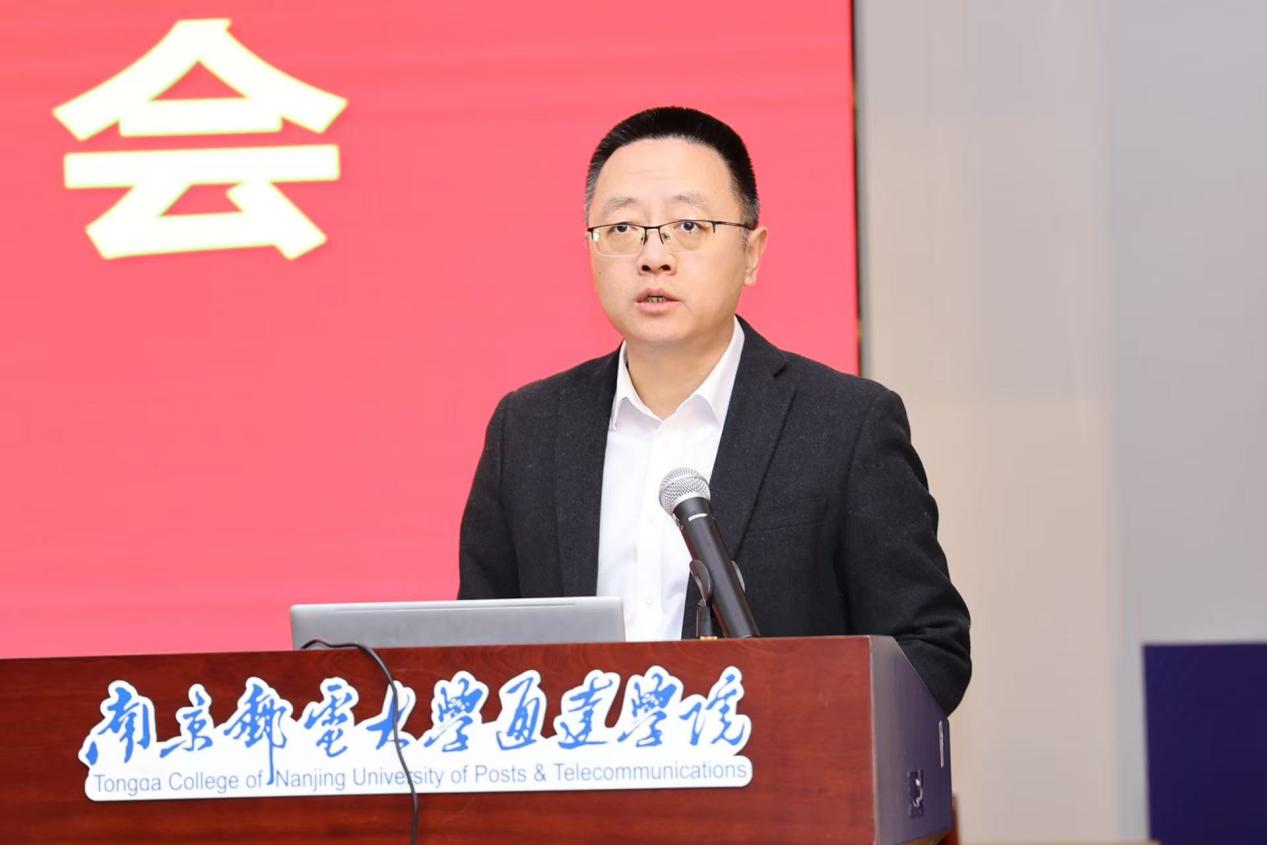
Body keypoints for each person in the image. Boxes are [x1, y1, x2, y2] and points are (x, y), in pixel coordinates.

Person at [458, 106, 971, 714]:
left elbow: (928, 650)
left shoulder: (844, 425)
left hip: (773, 770)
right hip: (573, 772)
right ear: (590, 250)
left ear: (752, 252)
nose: (654, 256)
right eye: (622, 228)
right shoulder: (528, 430)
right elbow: (472, 658)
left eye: (688, 225)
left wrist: (799, 728)